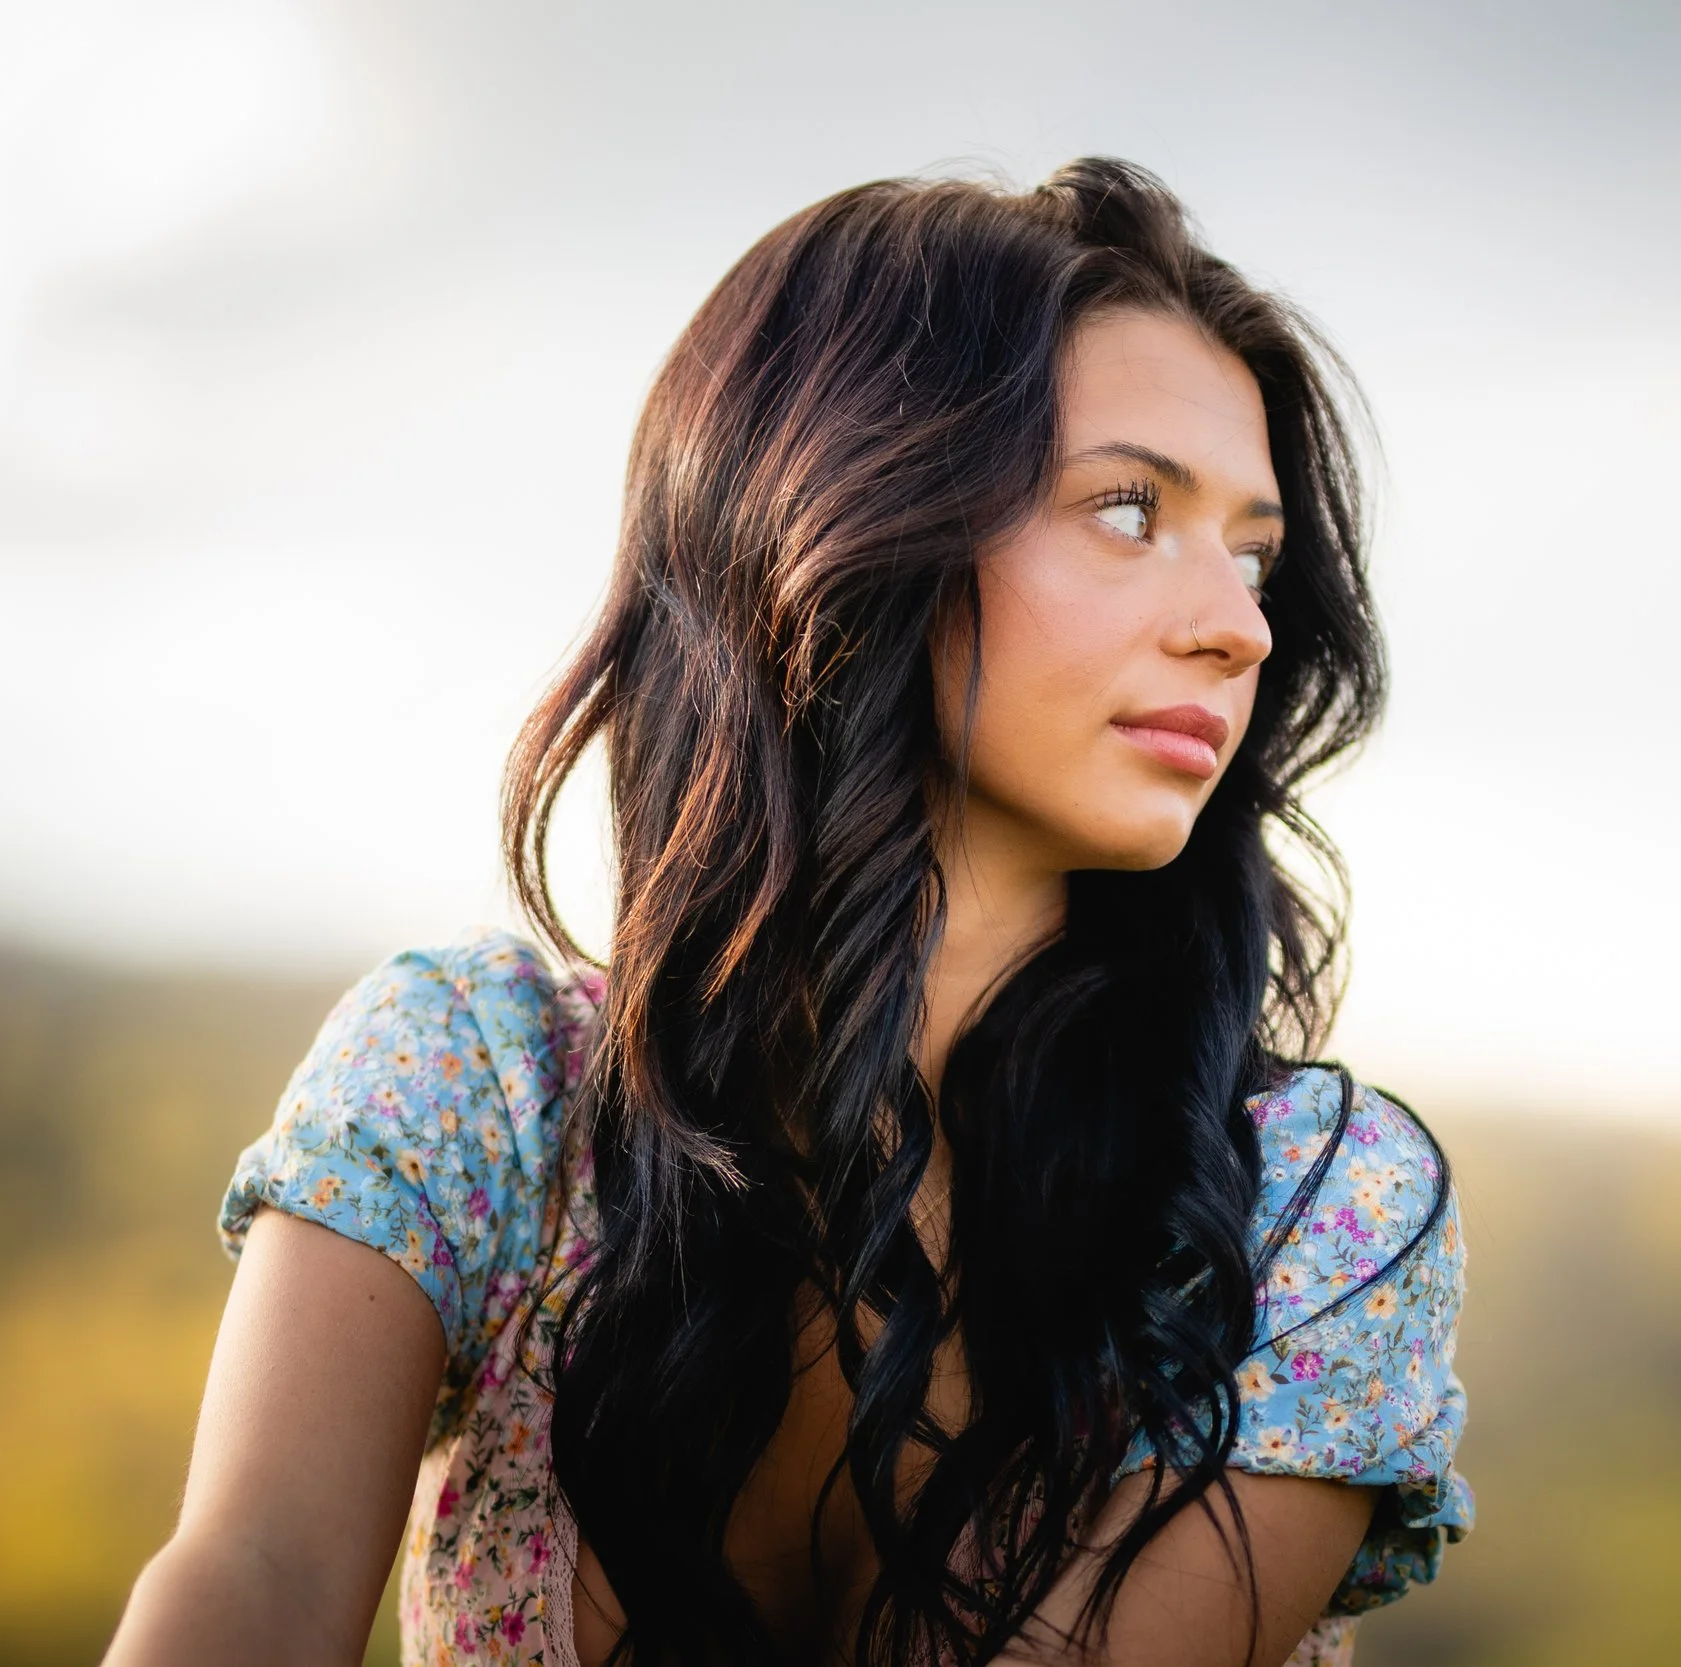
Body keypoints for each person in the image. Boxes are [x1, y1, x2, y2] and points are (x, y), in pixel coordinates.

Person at [103, 157, 1471, 1667]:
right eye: (1132, 507)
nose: (1238, 625)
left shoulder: (1308, 1213)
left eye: (1258, 550)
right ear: (857, 510)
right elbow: (253, 1580)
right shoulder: (480, 1084)